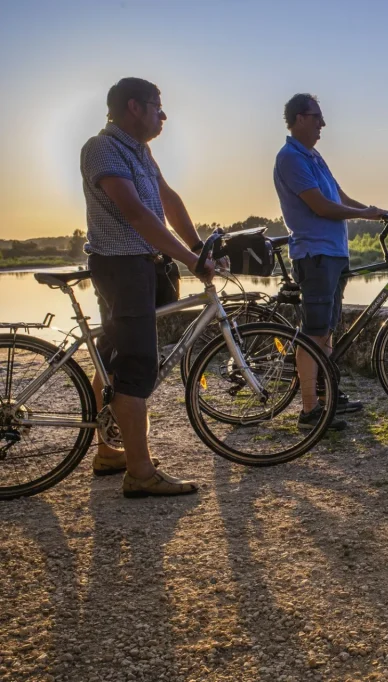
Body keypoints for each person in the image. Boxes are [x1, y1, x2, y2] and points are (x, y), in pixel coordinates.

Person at [81, 77, 213, 497]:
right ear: (134, 107)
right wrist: (192, 261)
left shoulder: (141, 151)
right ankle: (139, 473)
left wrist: (198, 247)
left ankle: (108, 452)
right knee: (136, 367)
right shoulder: (102, 148)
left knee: (112, 357)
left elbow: (167, 199)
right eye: (158, 106)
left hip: (142, 265)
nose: (164, 114)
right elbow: (136, 213)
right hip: (122, 266)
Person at [273, 93, 385, 430]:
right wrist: (363, 213)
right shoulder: (291, 158)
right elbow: (321, 206)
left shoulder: (314, 156)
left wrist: (374, 213)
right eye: (317, 116)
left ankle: (327, 394)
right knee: (313, 333)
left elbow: (339, 197)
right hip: (315, 253)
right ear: (299, 119)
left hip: (333, 253)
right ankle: (310, 411)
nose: (323, 123)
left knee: (327, 330)